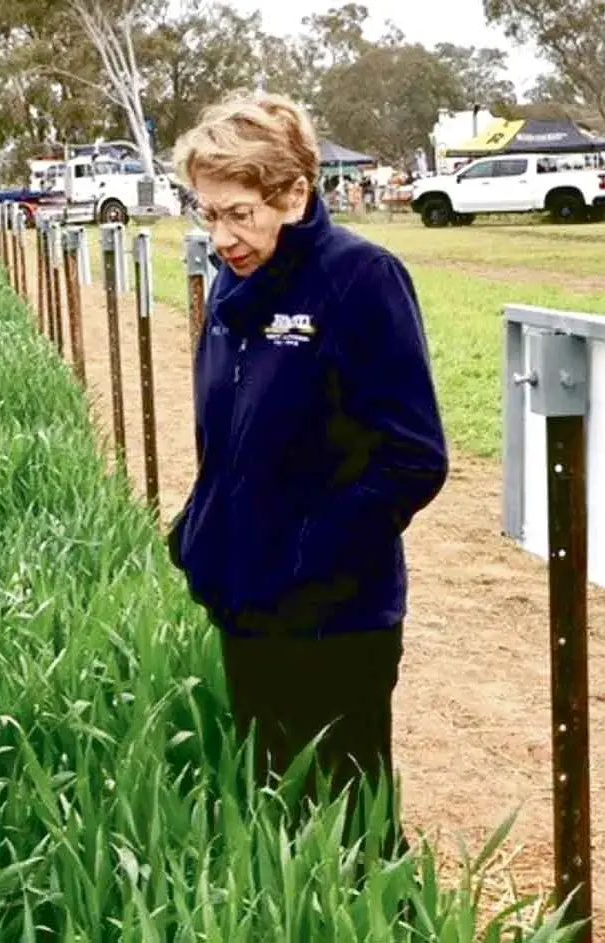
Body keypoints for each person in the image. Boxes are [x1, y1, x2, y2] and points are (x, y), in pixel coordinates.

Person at [165, 92, 449, 856]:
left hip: (335, 617)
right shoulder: (234, 280)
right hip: (245, 605)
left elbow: (414, 456)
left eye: (239, 213)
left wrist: (303, 555)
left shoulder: (361, 279)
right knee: (274, 819)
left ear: (293, 194)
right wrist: (199, 530)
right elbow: (229, 433)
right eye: (208, 213)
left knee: (353, 836)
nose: (221, 236)